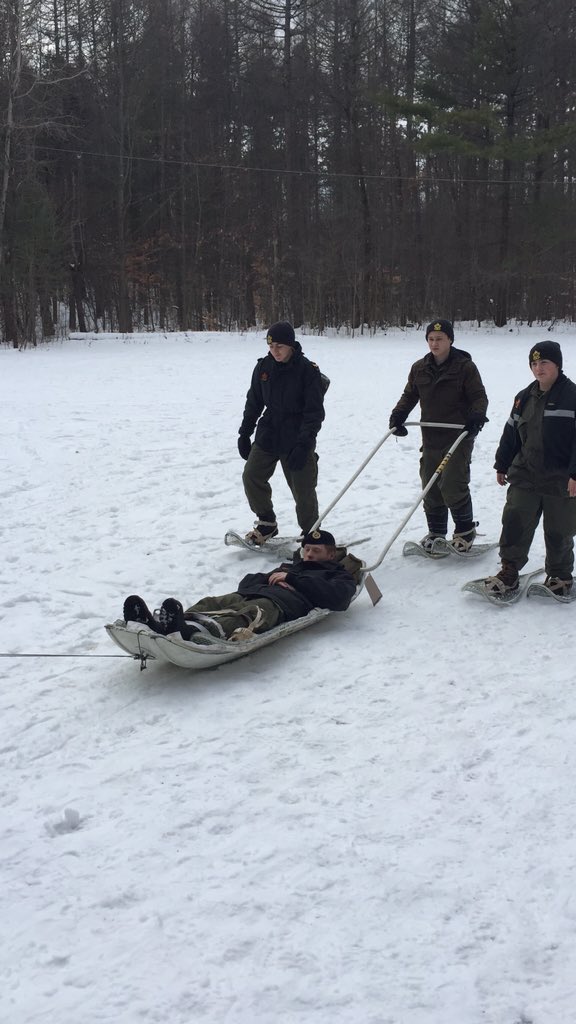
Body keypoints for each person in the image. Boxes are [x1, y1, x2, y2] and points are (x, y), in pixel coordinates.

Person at [122, 530, 360, 643]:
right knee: (213, 603)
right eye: (306, 549)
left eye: (315, 551)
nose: (308, 554)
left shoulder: (337, 576)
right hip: (251, 592)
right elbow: (247, 581)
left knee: (250, 613)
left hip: (280, 604)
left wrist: (293, 581)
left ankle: (195, 632)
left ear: (330, 555)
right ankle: (169, 623)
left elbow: (338, 599)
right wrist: (271, 578)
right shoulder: (290, 566)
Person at [483, 341, 576, 597]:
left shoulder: (572, 396)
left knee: (559, 530)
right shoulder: (523, 396)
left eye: (544, 362)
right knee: (514, 521)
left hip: (560, 478)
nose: (538, 368)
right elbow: (511, 433)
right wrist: (502, 463)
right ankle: (509, 572)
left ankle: (560, 576)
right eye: (534, 364)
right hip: (525, 474)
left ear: (557, 364)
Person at [388, 318, 489, 552]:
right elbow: (409, 395)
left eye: (440, 339)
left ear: (450, 340)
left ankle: (465, 531)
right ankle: (436, 532)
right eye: (431, 339)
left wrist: (476, 416)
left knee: (452, 483)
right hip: (431, 436)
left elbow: (479, 396)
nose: (434, 343)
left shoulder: (465, 367)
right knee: (430, 485)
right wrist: (398, 415)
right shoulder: (419, 368)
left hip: (458, 435)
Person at [237, 321, 327, 545]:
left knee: (303, 488)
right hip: (269, 431)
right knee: (251, 475)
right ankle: (266, 522)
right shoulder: (263, 368)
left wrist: (305, 444)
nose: (274, 351)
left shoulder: (308, 371)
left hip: (297, 436)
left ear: (291, 346)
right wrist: (244, 433)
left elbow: (314, 413)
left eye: (280, 346)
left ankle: (311, 533)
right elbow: (254, 402)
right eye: (271, 345)